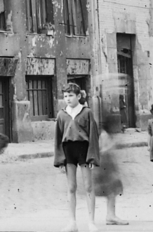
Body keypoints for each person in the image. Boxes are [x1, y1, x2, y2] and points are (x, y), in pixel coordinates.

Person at [54, 81, 99, 232]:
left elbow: (93, 135)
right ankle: (72, 222)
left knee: (88, 186)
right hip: (68, 151)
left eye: (71, 96)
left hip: (84, 150)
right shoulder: (61, 114)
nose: (68, 98)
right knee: (71, 187)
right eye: (65, 96)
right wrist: (59, 159)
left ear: (79, 96)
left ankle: (91, 222)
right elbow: (57, 138)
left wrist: (92, 156)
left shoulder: (87, 113)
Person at [93, 123, 127, 225]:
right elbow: (102, 150)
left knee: (111, 192)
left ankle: (110, 215)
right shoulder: (103, 135)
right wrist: (112, 145)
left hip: (105, 165)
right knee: (111, 190)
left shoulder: (103, 134)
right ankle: (111, 216)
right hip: (105, 165)